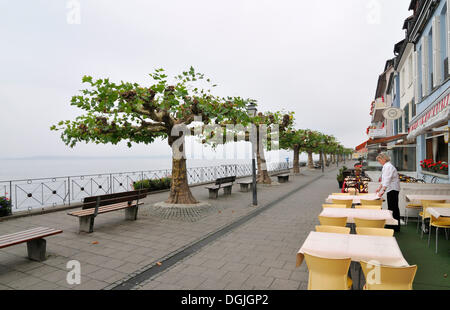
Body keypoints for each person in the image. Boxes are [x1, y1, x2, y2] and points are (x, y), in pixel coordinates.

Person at [375, 153, 401, 232]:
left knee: (393, 208)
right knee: (391, 207)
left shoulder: (388, 166)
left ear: (383, 159)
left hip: (393, 189)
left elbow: (387, 179)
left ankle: (395, 226)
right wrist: (379, 188)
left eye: (379, 160)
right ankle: (392, 225)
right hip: (391, 189)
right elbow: (384, 179)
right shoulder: (386, 166)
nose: (379, 162)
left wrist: (382, 191)